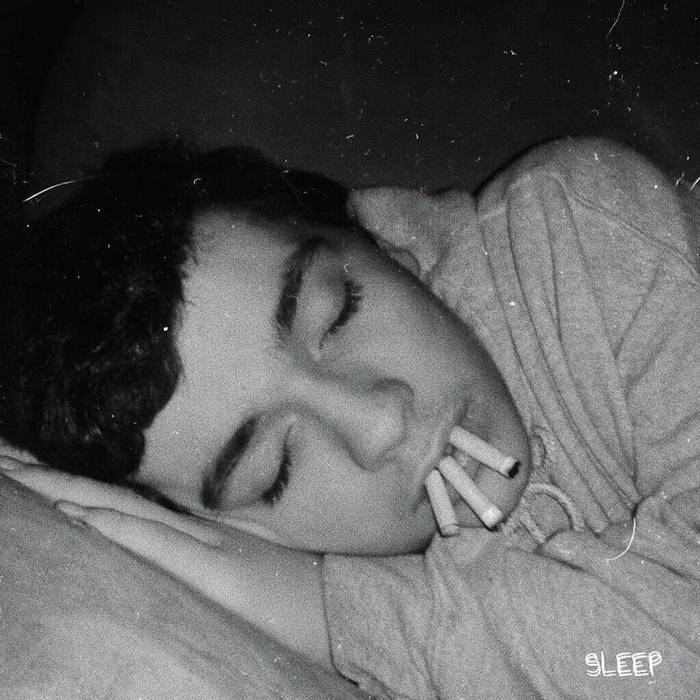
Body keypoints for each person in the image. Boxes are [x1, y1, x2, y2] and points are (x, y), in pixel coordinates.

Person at [0, 137, 698, 698]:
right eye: (275, 469)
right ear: (231, 533)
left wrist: (339, 615)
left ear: (386, 246)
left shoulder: (576, 227)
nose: (382, 424)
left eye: (339, 313)